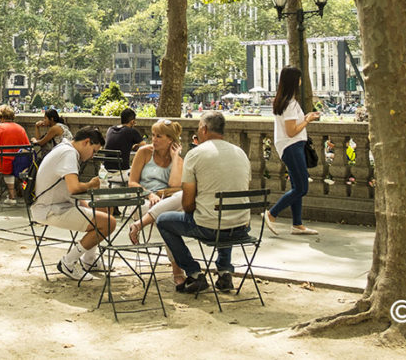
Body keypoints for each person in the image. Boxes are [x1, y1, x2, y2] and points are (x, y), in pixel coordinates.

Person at [155, 111, 251, 294]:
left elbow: (188, 203)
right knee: (223, 213)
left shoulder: (195, 154)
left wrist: (195, 207)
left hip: (211, 227)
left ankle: (194, 273)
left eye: (199, 127)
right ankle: (224, 271)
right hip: (241, 226)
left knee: (163, 221)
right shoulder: (240, 153)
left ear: (205, 129)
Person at [30, 126, 113, 280]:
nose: (92, 156)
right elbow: (74, 188)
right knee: (109, 223)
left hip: (57, 204)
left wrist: (87, 204)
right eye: (94, 151)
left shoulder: (64, 148)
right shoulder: (69, 153)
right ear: (86, 142)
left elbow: (69, 189)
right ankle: (68, 262)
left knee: (105, 208)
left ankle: (89, 260)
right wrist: (90, 184)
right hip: (51, 209)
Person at [125, 118, 186, 287]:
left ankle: (138, 226)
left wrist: (175, 158)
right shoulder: (144, 153)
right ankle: (177, 270)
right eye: (153, 135)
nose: (154, 139)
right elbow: (132, 183)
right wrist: (150, 194)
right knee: (167, 219)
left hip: (165, 204)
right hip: (141, 202)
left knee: (167, 217)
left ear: (171, 140)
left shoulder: (178, 161)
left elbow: (175, 185)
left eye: (159, 136)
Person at [264, 66, 321, 237]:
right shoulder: (289, 103)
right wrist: (308, 120)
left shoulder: (286, 101)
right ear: (295, 81)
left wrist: (304, 117)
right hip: (291, 146)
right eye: (299, 78)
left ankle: (297, 224)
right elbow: (291, 131)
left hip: (290, 146)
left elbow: (291, 126)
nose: (301, 81)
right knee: (302, 188)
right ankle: (272, 213)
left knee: (297, 186)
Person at [0, 105, 30, 206]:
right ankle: (12, 197)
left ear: (0, 117)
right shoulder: (21, 129)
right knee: (9, 168)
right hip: (17, 166)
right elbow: (26, 149)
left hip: (1, 165)